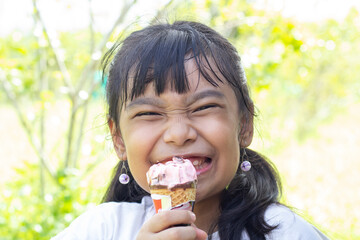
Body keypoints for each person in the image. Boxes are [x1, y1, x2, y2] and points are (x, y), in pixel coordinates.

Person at [52, 21, 329, 240]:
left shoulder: (287, 233)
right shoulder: (101, 229)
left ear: (244, 124)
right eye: (149, 113)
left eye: (204, 107)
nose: (178, 133)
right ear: (119, 139)